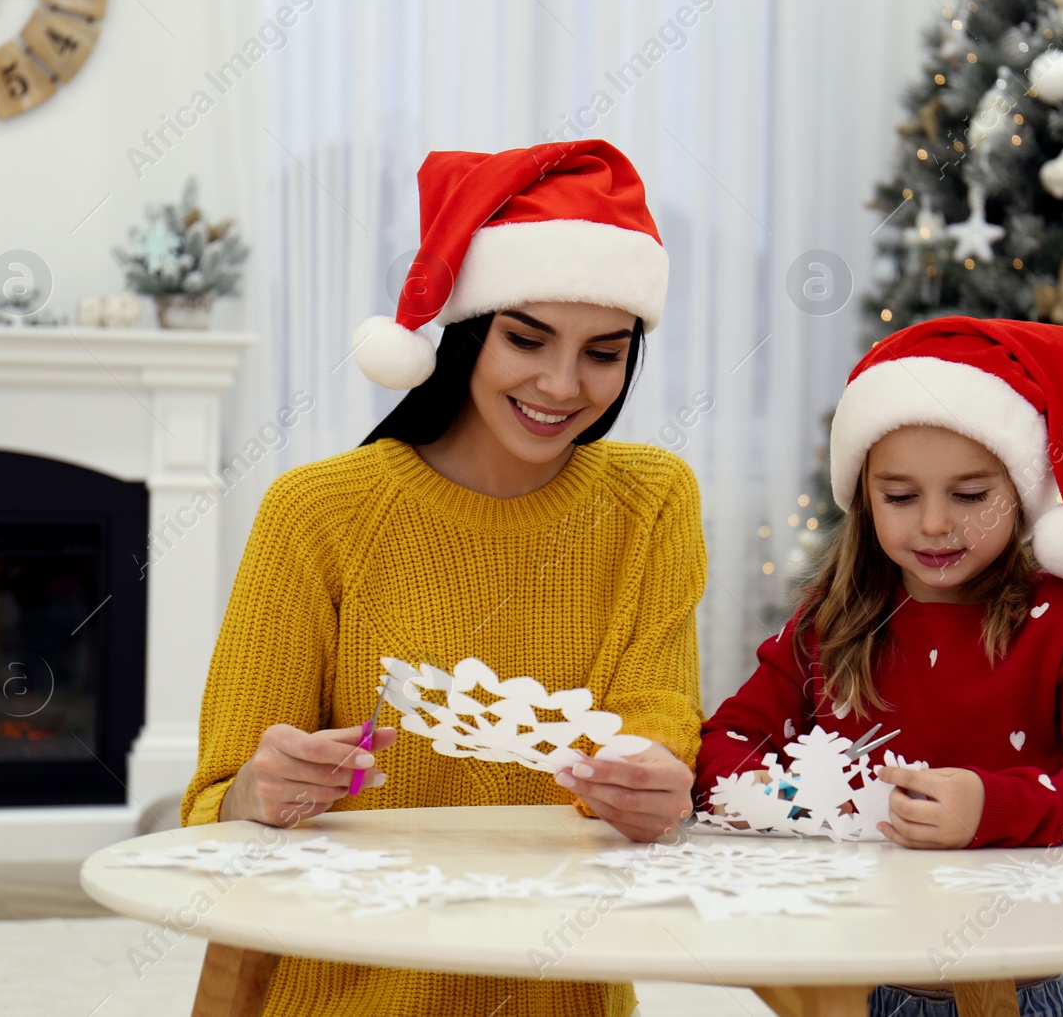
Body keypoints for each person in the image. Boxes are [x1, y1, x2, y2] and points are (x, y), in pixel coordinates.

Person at [183, 140, 707, 1017]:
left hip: (560, 997)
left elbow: (657, 720)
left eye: (603, 352)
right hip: (344, 993)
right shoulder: (316, 512)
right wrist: (257, 790)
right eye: (526, 338)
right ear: (467, 330)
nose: (561, 384)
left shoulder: (652, 501)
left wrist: (656, 781)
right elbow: (215, 806)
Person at [695, 317, 1063, 1017]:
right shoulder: (835, 615)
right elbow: (725, 744)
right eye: (901, 496)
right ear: (864, 497)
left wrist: (990, 807)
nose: (936, 524)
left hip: (1026, 986)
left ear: (1023, 489)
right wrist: (779, 793)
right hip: (868, 983)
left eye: (971, 496)